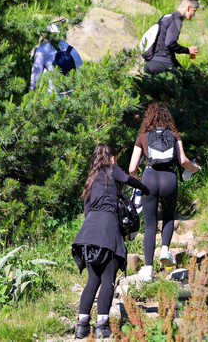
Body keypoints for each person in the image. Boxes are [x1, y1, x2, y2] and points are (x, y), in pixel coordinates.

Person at [72, 144, 150, 339]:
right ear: (112, 158)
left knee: (92, 280)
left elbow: (87, 210)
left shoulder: (91, 178)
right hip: (108, 230)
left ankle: (82, 326)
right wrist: (145, 189)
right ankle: (102, 325)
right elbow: (127, 179)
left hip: (87, 233)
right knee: (108, 280)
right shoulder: (111, 168)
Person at [128, 102, 200, 281]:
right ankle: (165, 250)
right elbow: (183, 160)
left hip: (149, 178)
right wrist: (195, 169)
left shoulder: (143, 137)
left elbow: (131, 168)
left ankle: (148, 269)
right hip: (169, 178)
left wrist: (138, 182)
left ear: (148, 118)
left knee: (150, 225)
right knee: (168, 216)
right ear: (167, 119)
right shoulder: (175, 135)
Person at [143, 0, 200, 75]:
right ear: (188, 7)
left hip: (149, 64)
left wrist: (179, 67)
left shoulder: (166, 17)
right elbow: (170, 43)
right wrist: (187, 50)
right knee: (185, 84)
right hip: (162, 64)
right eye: (194, 11)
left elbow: (162, 44)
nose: (194, 14)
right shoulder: (177, 19)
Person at [30, 24, 83, 92]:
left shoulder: (43, 48)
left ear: (48, 35)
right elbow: (81, 67)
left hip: (52, 88)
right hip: (71, 87)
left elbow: (37, 68)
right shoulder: (70, 48)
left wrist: (33, 87)